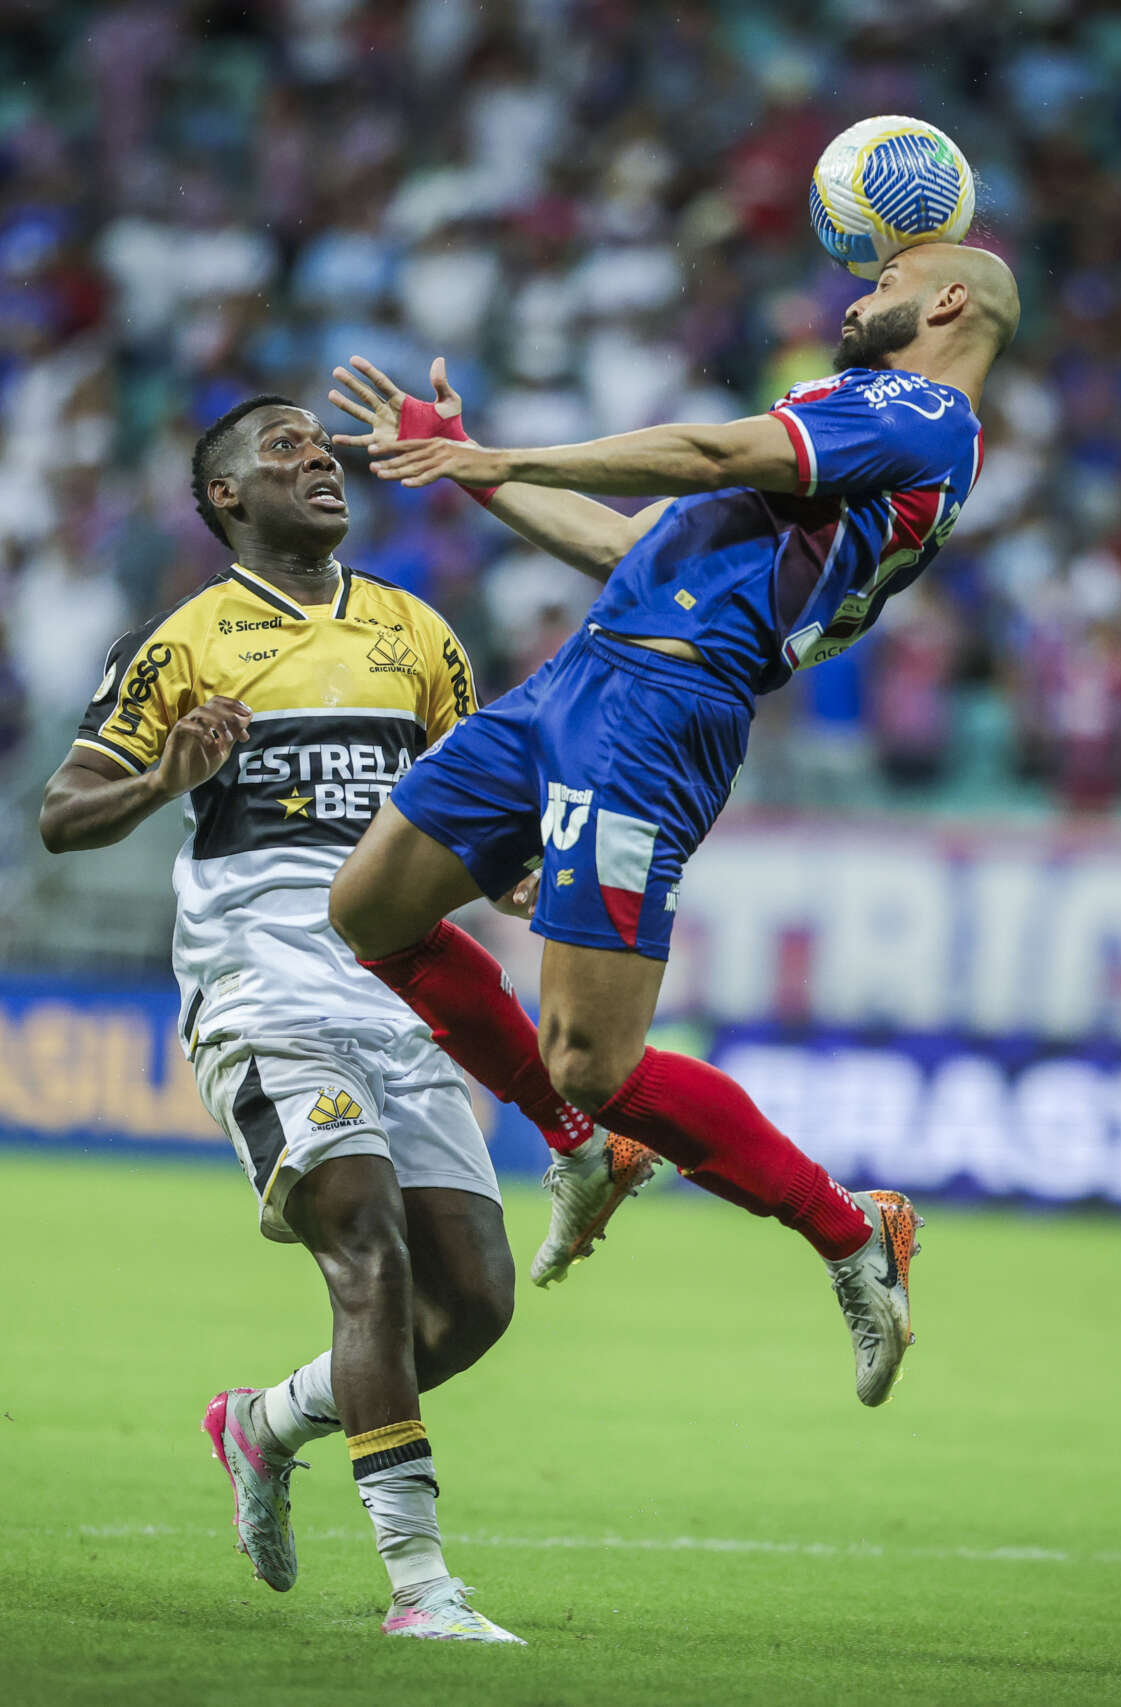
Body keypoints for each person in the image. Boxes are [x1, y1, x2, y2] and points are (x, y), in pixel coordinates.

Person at [324, 242, 1021, 1408]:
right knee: (370, 909)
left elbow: (703, 451)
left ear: (945, 301)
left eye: (883, 284)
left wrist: (490, 448)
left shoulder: (923, 415)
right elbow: (621, 545)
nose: (856, 298)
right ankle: (581, 1143)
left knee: (593, 1058)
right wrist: (466, 469)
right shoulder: (850, 440)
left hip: (658, 711)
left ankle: (850, 1230)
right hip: (585, 673)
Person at [36, 397, 523, 1644]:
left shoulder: (418, 634)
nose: (319, 459)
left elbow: (469, 811)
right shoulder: (183, 642)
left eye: (324, 445)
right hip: (264, 990)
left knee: (470, 1308)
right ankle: (422, 1591)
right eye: (282, 450)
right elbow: (62, 809)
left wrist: (514, 868)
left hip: (399, 995)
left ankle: (261, 1427)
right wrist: (163, 779)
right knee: (367, 1248)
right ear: (224, 500)